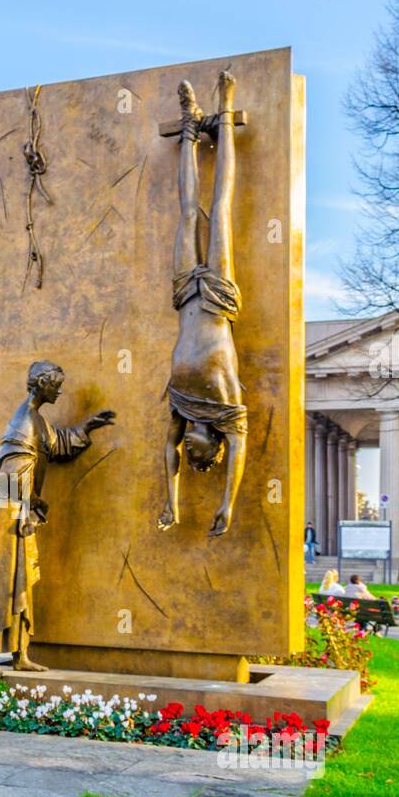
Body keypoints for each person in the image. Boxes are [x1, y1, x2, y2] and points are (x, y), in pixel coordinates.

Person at [0, 359, 115, 678]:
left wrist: (87, 427)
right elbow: (9, 473)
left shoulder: (35, 419)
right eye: (56, 383)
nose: (60, 389)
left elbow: (57, 444)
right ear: (41, 384)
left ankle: (20, 653)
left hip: (18, 512)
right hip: (6, 515)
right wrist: (30, 508)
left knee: (20, 581)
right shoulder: (23, 421)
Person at [158, 70, 247, 538]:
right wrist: (226, 505)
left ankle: (190, 126)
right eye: (196, 454)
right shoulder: (228, 407)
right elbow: (238, 456)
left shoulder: (182, 408)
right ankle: (225, 107)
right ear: (210, 446)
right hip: (216, 299)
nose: (185, 450)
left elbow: (165, 454)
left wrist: (169, 503)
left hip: (184, 296)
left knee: (189, 210)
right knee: (223, 206)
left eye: (186, 452)